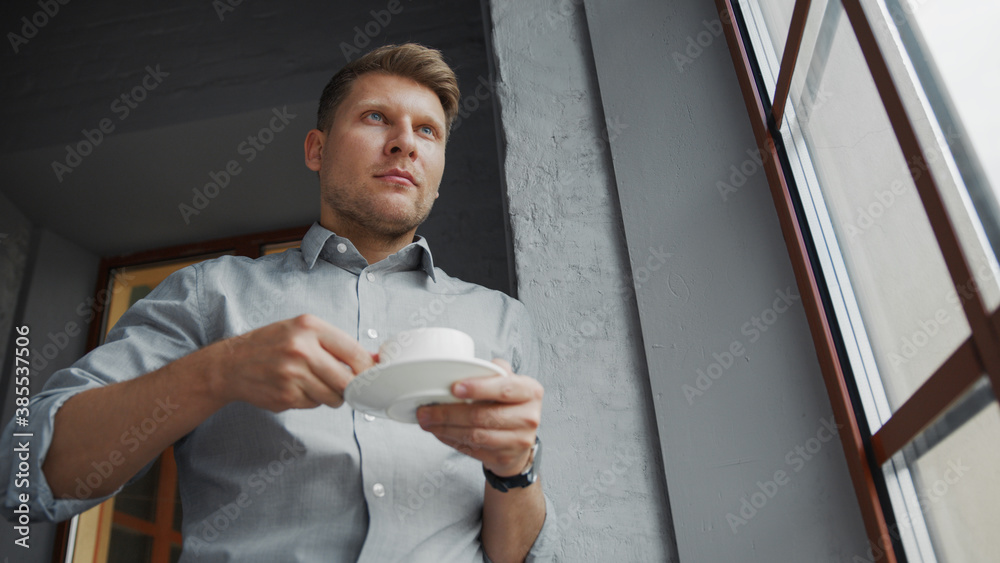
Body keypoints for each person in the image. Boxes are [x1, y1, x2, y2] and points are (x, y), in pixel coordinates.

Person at [1, 43, 555, 562]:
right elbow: (21, 478)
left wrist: (513, 470)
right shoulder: (209, 294)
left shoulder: (503, 320)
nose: (405, 142)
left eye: (427, 131)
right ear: (316, 149)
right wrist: (216, 372)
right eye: (376, 118)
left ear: (437, 172)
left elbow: (511, 553)